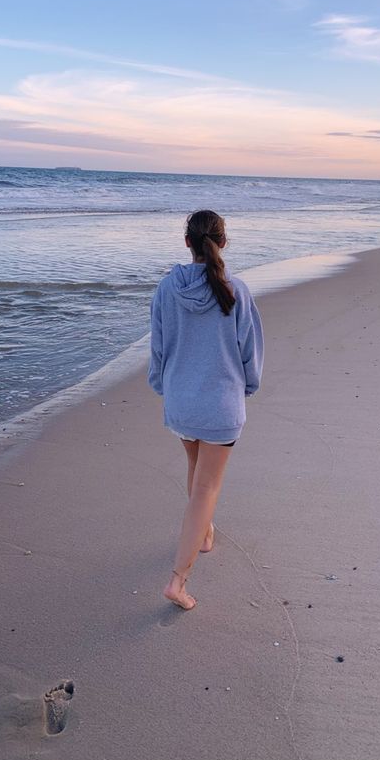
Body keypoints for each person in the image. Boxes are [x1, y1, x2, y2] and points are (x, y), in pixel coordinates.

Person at [148, 210, 263, 610]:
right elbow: (249, 351)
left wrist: (164, 386)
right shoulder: (236, 290)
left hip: (181, 401)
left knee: (197, 475)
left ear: (187, 243)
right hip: (218, 405)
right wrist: (248, 386)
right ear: (223, 242)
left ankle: (207, 533)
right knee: (206, 487)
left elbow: (158, 347)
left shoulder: (166, 289)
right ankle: (178, 581)